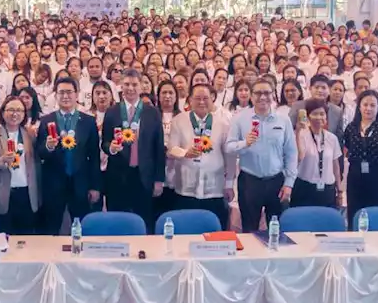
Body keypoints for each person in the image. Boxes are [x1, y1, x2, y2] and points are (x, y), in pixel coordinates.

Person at [226, 81, 296, 232]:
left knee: (276, 229)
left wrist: (289, 183)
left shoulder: (283, 119)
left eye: (267, 93)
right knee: (249, 230)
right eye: (258, 93)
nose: (262, 97)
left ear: (273, 95)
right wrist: (245, 143)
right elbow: (229, 147)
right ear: (251, 96)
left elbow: (291, 152)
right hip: (249, 181)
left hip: (276, 181)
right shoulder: (239, 118)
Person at [102, 69, 166, 231]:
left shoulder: (152, 112)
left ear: (141, 86)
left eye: (134, 84)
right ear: (121, 86)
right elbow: (104, 142)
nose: (130, 88)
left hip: (144, 175)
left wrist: (159, 179)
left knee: (144, 220)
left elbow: (158, 148)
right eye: (127, 84)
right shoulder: (112, 111)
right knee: (117, 221)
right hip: (117, 175)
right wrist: (111, 148)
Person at [35, 76, 101, 235]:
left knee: (81, 229)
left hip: (80, 184)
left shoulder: (88, 121)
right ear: (55, 95)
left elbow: (94, 156)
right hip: (53, 184)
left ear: (77, 94)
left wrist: (95, 186)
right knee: (51, 228)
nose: (65, 96)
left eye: (69, 92)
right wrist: (48, 147)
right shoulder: (46, 121)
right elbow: (39, 152)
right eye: (61, 92)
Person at [166, 82, 235, 229]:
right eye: (197, 98)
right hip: (186, 188)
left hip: (214, 189)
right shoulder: (179, 121)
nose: (202, 102)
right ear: (190, 100)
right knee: (186, 230)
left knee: (214, 231)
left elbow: (230, 156)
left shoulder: (223, 123)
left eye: (206, 98)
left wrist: (229, 184)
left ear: (212, 99)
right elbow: (171, 149)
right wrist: (185, 153)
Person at [0, 95, 40, 235]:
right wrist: (1, 160)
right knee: (4, 237)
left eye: (20, 110)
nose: (15, 114)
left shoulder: (30, 134)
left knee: (25, 239)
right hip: (2, 194)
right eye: (11, 110)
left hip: (27, 193)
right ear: (3, 112)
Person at [341, 90, 378, 227]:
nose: (368, 108)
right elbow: (346, 150)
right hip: (355, 177)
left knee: (376, 217)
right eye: (365, 105)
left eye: (372, 105)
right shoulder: (351, 128)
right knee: (354, 214)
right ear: (359, 107)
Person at [292, 99, 341, 209]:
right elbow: (299, 157)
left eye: (322, 114)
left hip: (327, 188)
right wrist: (298, 132)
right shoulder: (302, 135)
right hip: (305, 187)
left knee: (325, 222)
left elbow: (335, 166)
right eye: (315, 114)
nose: (319, 117)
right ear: (308, 116)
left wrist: (340, 190)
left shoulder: (332, 138)